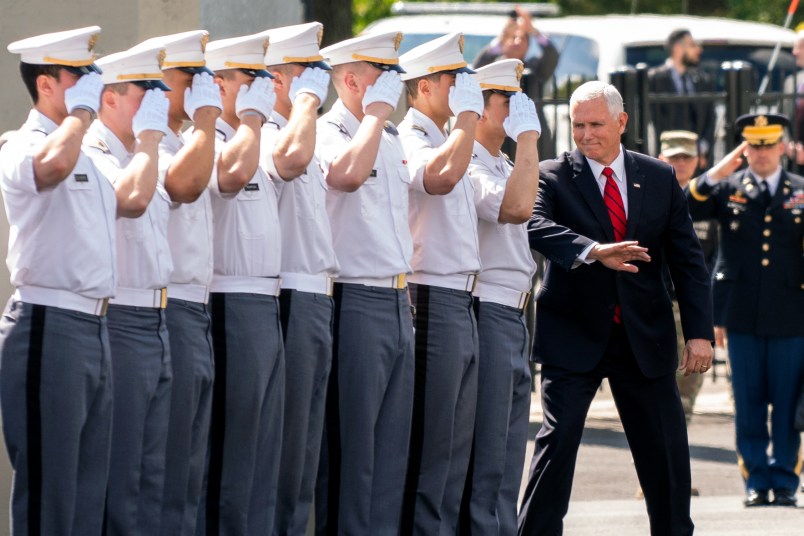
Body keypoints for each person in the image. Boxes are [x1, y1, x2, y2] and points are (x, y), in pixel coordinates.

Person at [518, 81, 714, 536]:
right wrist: (591, 250)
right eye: (578, 125)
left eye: (596, 125)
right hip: (574, 336)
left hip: (644, 337)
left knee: (665, 456)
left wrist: (700, 332)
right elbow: (534, 222)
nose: (586, 135)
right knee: (558, 445)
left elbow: (688, 260)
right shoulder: (552, 174)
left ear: (621, 122)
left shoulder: (659, 177)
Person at [0, 26, 115, 536]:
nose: (91, 84)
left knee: (88, 496)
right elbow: (50, 169)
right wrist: (83, 115)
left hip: (94, 326)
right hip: (49, 322)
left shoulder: (84, 149)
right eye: (80, 75)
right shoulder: (22, 144)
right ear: (47, 84)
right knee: (50, 497)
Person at [315, 30, 415, 535]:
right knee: (353, 454)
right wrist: (374, 116)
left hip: (399, 299)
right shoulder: (328, 131)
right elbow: (346, 177)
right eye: (383, 75)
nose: (393, 88)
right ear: (351, 80)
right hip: (355, 299)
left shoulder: (392, 136)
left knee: (390, 456)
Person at [686, 113, 804, 508]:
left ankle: (786, 480)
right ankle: (756, 479)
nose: (761, 153)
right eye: (753, 145)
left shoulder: (800, 189)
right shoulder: (729, 188)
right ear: (743, 149)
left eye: (769, 144)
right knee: (749, 400)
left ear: (783, 147)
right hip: (740, 315)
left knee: (787, 401)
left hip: (791, 314)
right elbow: (687, 206)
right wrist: (716, 172)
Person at [132, 31, 222, 536]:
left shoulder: (190, 140)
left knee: (189, 468)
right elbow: (181, 186)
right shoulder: (153, 144)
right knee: (163, 470)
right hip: (167, 310)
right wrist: (209, 121)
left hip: (196, 309)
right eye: (190, 81)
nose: (197, 92)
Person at [84, 43, 173, 535]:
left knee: (151, 479)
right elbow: (132, 199)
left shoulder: (143, 151)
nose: (156, 102)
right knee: (121, 482)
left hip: (156, 319)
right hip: (120, 319)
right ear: (110, 97)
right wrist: (152, 140)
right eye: (146, 91)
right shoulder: (97, 153)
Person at [397, 32, 483, 535]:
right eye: (454, 79)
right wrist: (469, 120)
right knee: (432, 445)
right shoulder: (412, 134)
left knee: (454, 445)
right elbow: (440, 179)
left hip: (460, 296)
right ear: (426, 86)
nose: (462, 89)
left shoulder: (452, 136)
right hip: (429, 295)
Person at [200, 33, 284, 534]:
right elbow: (229, 179)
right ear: (218, 84)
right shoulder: (211, 140)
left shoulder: (255, 136)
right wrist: (253, 118)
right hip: (230, 299)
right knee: (233, 455)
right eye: (245, 79)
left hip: (265, 300)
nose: (256, 89)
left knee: (261, 456)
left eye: (259, 79)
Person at [260, 22, 338, 536]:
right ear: (276, 80)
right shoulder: (271, 134)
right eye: (304, 75)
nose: (317, 86)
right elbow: (289, 161)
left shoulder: (301, 131)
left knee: (306, 451)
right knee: (284, 452)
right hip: (289, 295)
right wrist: (307, 100)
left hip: (317, 296)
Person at [459, 58, 540, 536]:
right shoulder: (469, 159)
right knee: (488, 454)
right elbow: (512, 208)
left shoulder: (505, 163)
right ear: (482, 109)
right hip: (487, 309)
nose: (516, 110)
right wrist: (529, 140)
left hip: (514, 314)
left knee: (511, 453)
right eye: (506, 101)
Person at [657, 130, 719, 424]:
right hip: (656, 300)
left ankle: (675, 439)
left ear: (699, 161)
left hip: (691, 304)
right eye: (674, 157)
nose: (680, 164)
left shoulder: (709, 202)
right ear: (661, 159)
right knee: (653, 376)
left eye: (686, 157)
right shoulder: (650, 195)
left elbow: (718, 256)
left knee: (687, 380)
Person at [473, 5, 558, 160]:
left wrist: (533, 30)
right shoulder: (492, 69)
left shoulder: (534, 68)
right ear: (504, 42)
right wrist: (501, 38)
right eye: (513, 37)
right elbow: (476, 70)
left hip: (534, 142)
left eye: (523, 38)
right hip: (501, 139)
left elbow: (551, 55)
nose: (518, 41)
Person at [648, 29, 715, 167]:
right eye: (692, 45)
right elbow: (654, 121)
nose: (698, 50)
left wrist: (700, 150)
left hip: (698, 160)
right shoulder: (655, 78)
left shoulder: (702, 79)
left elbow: (710, 118)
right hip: (666, 158)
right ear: (678, 48)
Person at [782, 30, 804, 165]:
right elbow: (782, 118)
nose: (795, 52)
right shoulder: (791, 81)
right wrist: (788, 144)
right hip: (793, 163)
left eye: (801, 47)